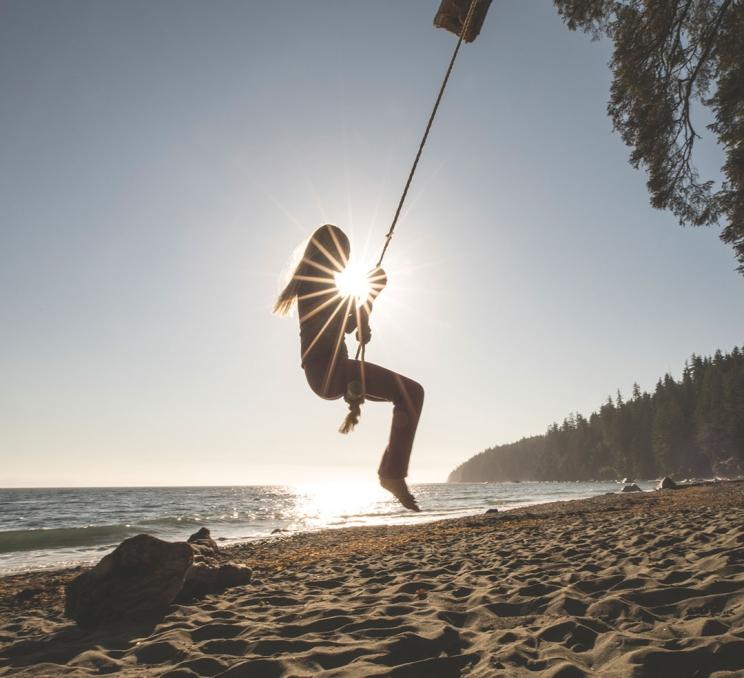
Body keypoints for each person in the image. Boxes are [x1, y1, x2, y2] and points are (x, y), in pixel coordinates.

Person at [274, 224, 424, 511]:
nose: (346, 260)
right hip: (328, 371)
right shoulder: (315, 284)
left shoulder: (318, 283)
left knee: (409, 395)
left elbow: (348, 320)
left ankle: (391, 473)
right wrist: (371, 293)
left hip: (328, 373)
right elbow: (347, 318)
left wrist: (367, 304)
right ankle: (391, 473)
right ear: (328, 252)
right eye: (343, 252)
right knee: (412, 393)